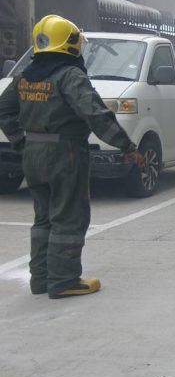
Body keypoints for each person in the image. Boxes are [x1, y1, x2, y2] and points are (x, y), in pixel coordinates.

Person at [0, 15, 144, 299]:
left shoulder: (25, 76)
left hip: (32, 155)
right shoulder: (69, 75)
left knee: (44, 218)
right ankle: (63, 280)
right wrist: (127, 147)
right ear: (69, 44)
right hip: (64, 155)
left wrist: (20, 142)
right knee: (69, 217)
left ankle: (41, 279)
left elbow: (3, 110)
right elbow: (95, 115)